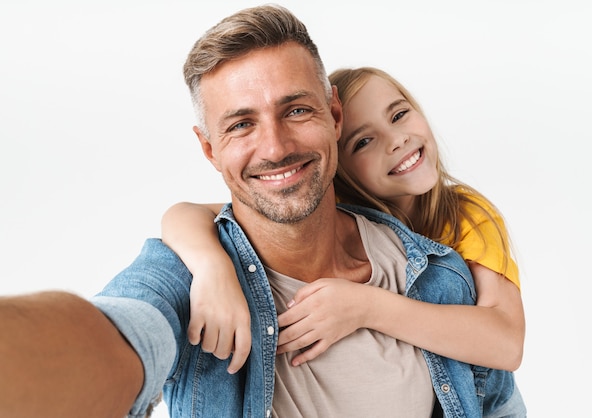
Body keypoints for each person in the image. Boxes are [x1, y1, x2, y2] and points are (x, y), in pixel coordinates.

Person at [0, 5, 520, 418]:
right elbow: (125, 331)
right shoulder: (187, 278)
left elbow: (497, 395)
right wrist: (207, 268)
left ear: (333, 115)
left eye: (296, 110)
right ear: (209, 149)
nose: (274, 148)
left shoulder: (438, 270)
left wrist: (369, 306)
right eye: (241, 124)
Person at [161, 66, 527, 417]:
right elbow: (186, 214)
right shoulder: (333, 211)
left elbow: (506, 343)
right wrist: (213, 270)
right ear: (338, 164)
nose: (396, 140)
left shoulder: (463, 214)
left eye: (399, 115)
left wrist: (368, 307)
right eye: (364, 141)